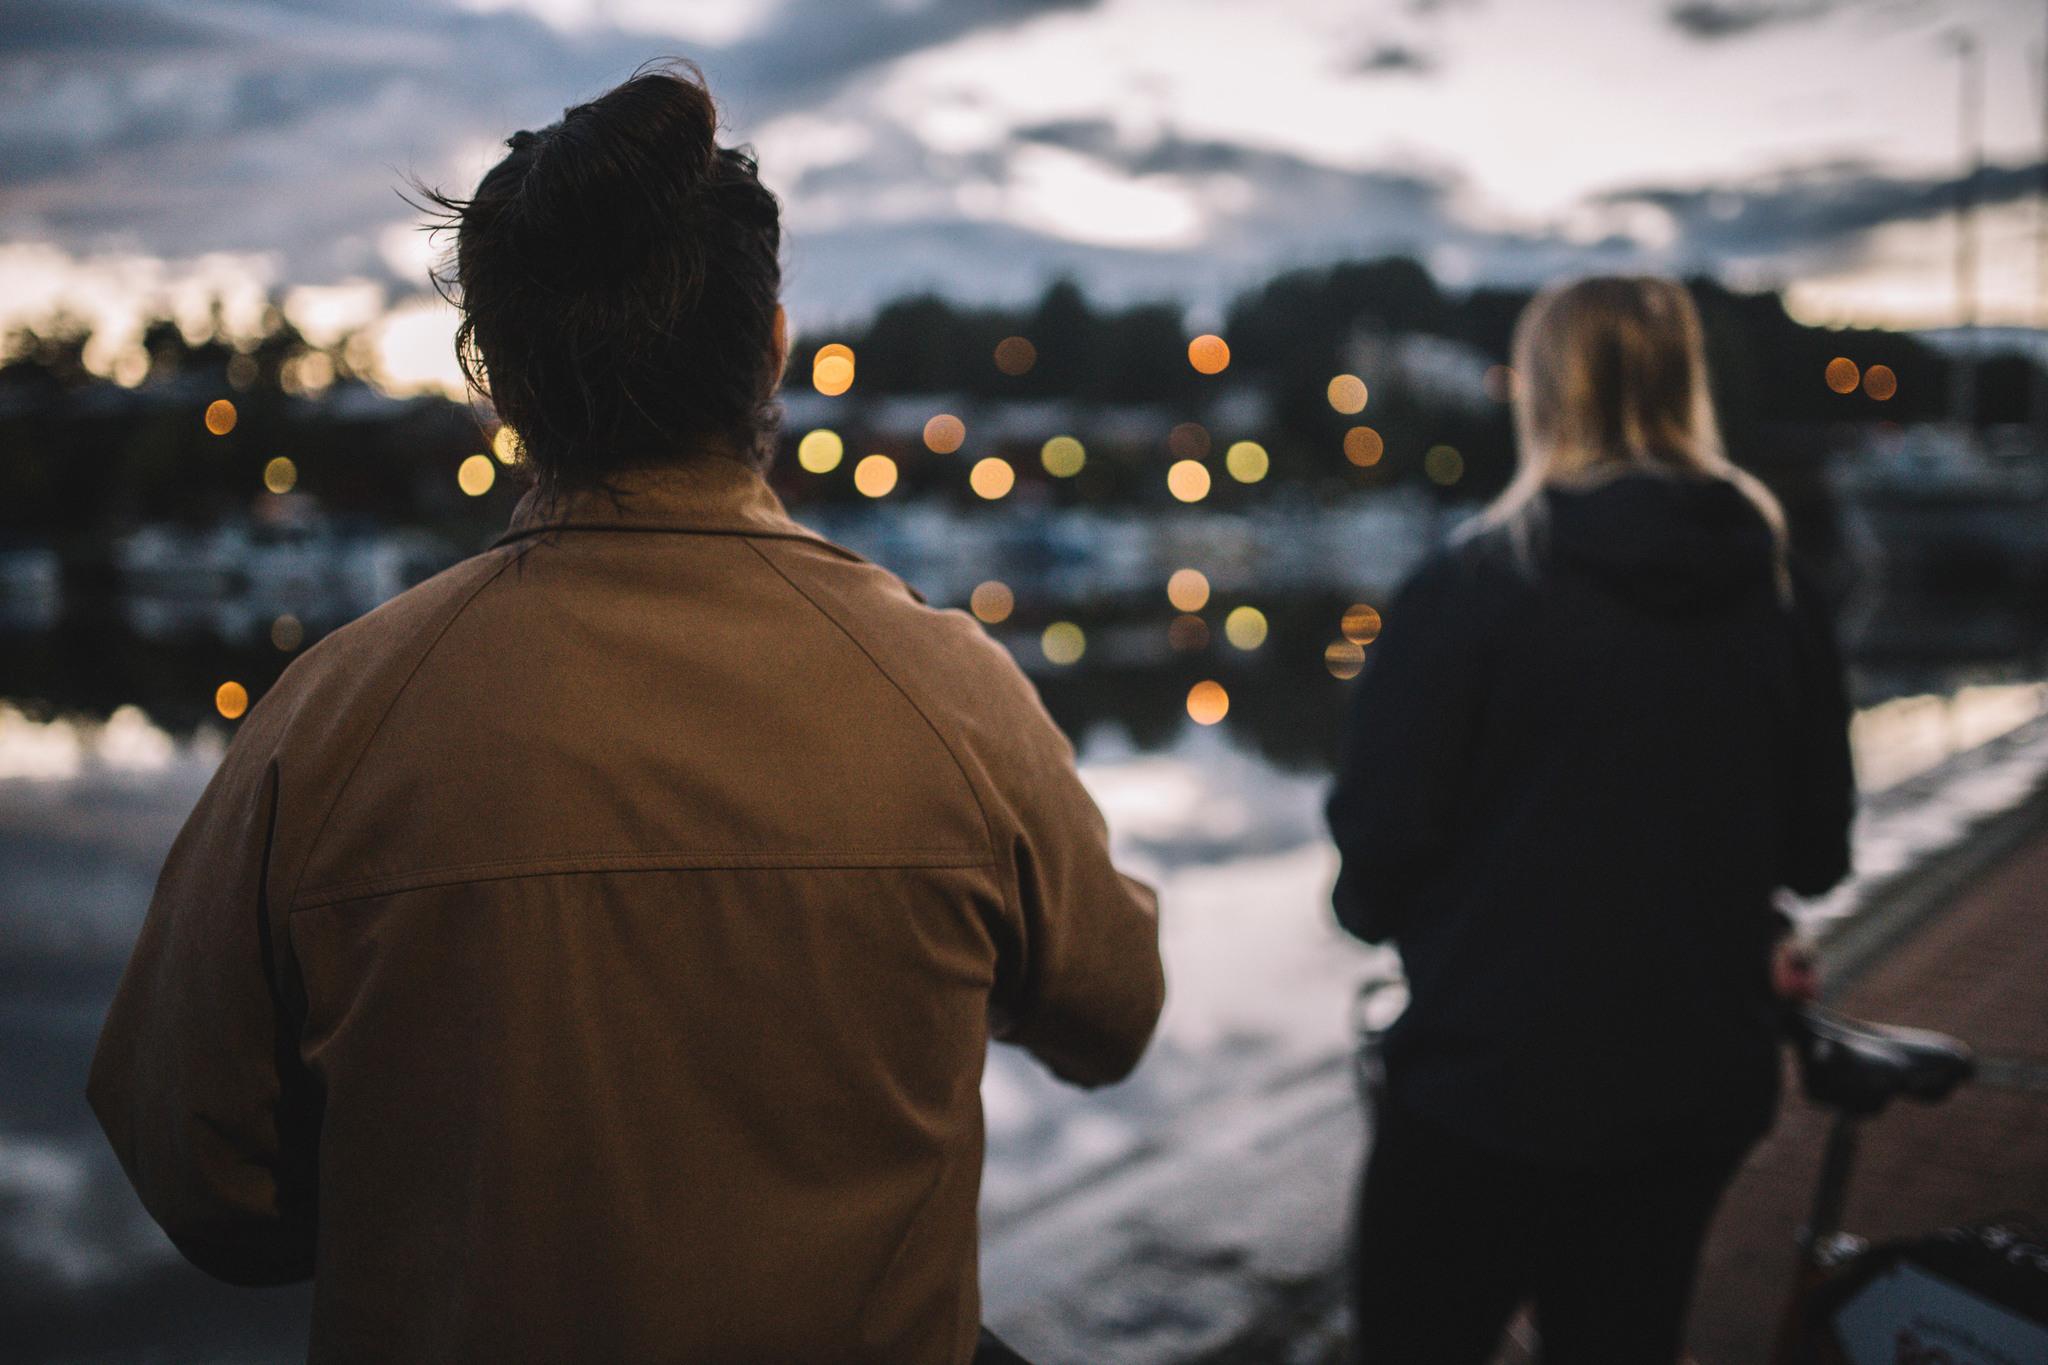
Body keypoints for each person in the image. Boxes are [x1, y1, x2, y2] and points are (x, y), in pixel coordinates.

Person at [88, 64, 1163, 1364]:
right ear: (770, 346)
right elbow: (1116, 1012)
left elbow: (199, 1170)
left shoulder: (333, 719)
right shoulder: (948, 698)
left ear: (500, 383)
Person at [1327, 275, 1854, 1362]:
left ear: (1539, 394)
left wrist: (1405, 913)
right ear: (1686, 387)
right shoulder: (1779, 586)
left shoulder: (1470, 585)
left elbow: (1375, 855)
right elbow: (1817, 849)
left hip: (1485, 1085)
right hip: (1691, 1089)